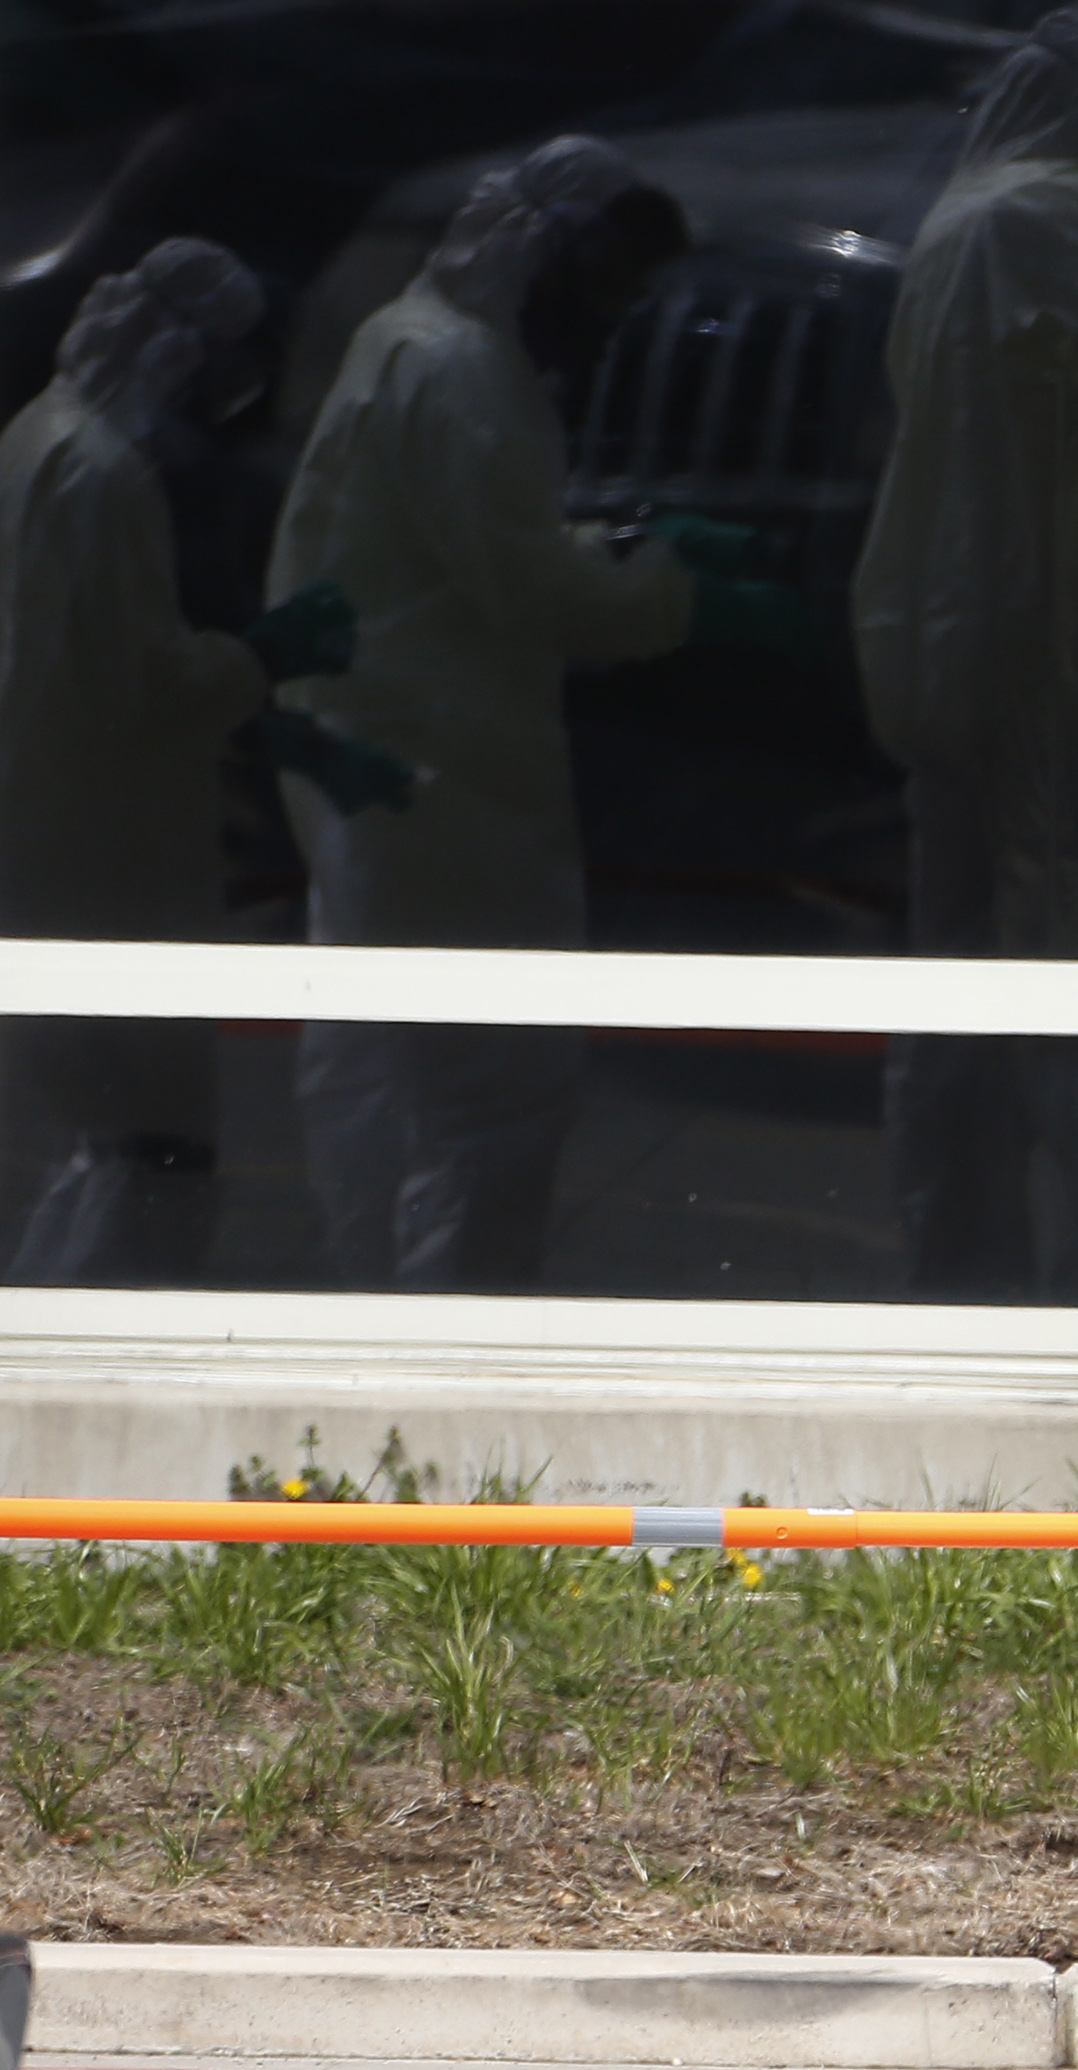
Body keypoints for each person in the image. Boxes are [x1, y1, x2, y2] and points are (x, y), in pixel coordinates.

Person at [270, 136, 793, 1289]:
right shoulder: (464, 375)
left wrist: (618, 547)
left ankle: (368, 1325)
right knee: (487, 1086)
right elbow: (530, 592)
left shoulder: (403, 341)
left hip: (377, 764)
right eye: (608, 284)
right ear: (546, 256)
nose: (614, 318)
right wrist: (670, 589)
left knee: (376, 1066)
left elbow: (442, 553)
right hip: (441, 783)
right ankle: (454, 1358)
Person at [0, 238, 389, 1279]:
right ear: (184, 352)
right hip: (103, 859)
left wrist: (264, 722)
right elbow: (141, 683)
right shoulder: (106, 475)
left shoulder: (37, 438)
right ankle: (105, 1386)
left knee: (102, 1143)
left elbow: (71, 663)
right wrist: (263, 660)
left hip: (48, 839)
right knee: (156, 1149)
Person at [852, 3, 1078, 1301]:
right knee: (1061, 986)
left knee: (959, 989)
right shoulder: (1049, 226)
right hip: (1048, 675)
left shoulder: (964, 223)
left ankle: (963, 1275)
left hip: (953, 668)